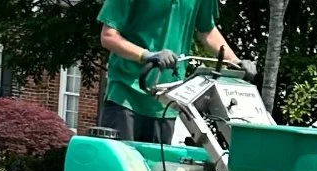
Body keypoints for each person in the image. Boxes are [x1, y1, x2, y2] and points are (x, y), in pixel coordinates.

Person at [96, 0, 256, 144]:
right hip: (125, 96)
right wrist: (146, 55)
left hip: (166, 102)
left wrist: (235, 61)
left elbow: (207, 30)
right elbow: (108, 36)